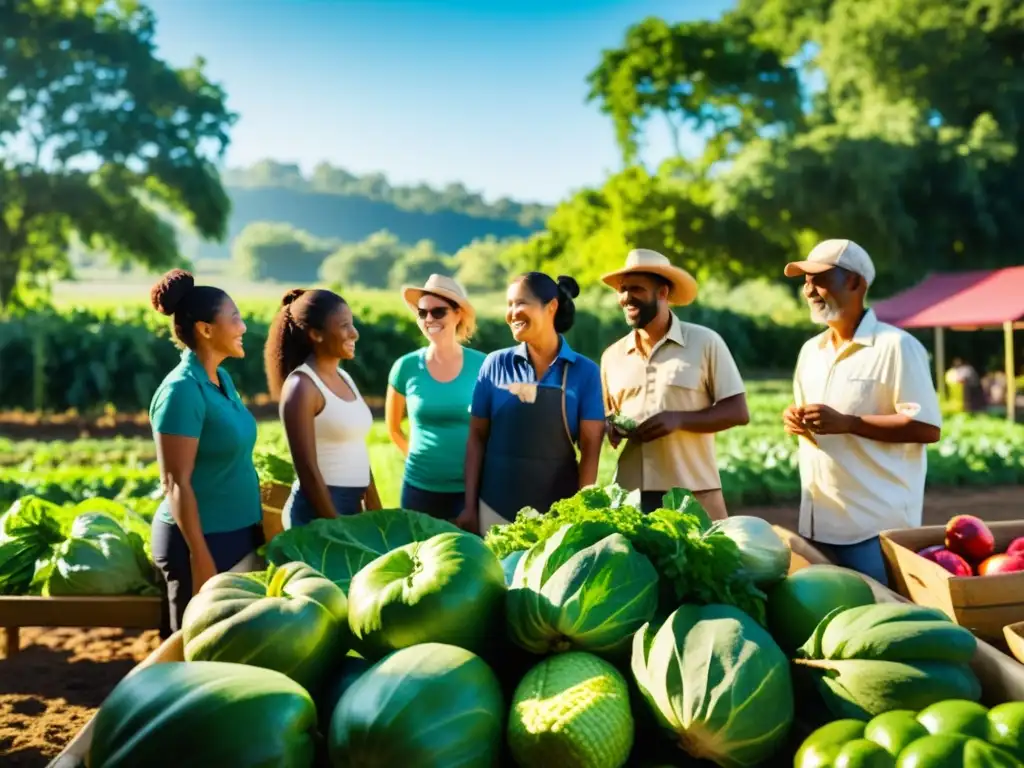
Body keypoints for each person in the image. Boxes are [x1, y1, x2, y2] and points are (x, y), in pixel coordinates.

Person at [783, 239, 942, 586]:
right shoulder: (811, 351)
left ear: (855, 282)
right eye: (805, 281)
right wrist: (795, 421)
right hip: (816, 526)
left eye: (819, 279)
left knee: (883, 627)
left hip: (873, 533)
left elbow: (926, 427)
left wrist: (849, 424)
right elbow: (814, 422)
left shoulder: (897, 346)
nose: (809, 289)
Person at [148, 269, 264, 636]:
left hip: (240, 534)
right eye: (235, 318)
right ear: (206, 329)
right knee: (189, 652)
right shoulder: (181, 391)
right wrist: (200, 556)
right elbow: (175, 482)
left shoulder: (222, 380)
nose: (243, 326)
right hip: (199, 542)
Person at [599, 249, 749, 520]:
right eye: (622, 290)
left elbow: (737, 411)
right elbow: (607, 416)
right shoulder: (612, 356)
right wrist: (610, 426)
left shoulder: (705, 342)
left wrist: (679, 419)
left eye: (637, 289)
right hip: (632, 499)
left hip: (694, 495)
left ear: (663, 293)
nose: (626, 297)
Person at [460, 272, 605, 536]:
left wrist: (579, 515)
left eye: (520, 303)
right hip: (495, 512)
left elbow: (591, 450)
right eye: (509, 304)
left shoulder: (584, 372)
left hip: (557, 517)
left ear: (551, 307)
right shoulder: (495, 364)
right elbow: (476, 438)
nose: (512, 313)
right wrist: (470, 507)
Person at [264, 288, 381, 528]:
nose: (354, 334)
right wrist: (335, 526)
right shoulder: (301, 387)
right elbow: (306, 469)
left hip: (351, 508)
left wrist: (376, 510)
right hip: (318, 513)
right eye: (344, 326)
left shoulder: (344, 378)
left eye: (353, 324)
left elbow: (357, 449)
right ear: (316, 334)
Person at [385, 275, 486, 519]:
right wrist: (422, 464)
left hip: (470, 491)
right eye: (422, 313)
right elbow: (394, 428)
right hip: (418, 490)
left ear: (458, 314)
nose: (429, 319)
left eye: (438, 312)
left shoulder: (483, 365)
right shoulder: (405, 367)